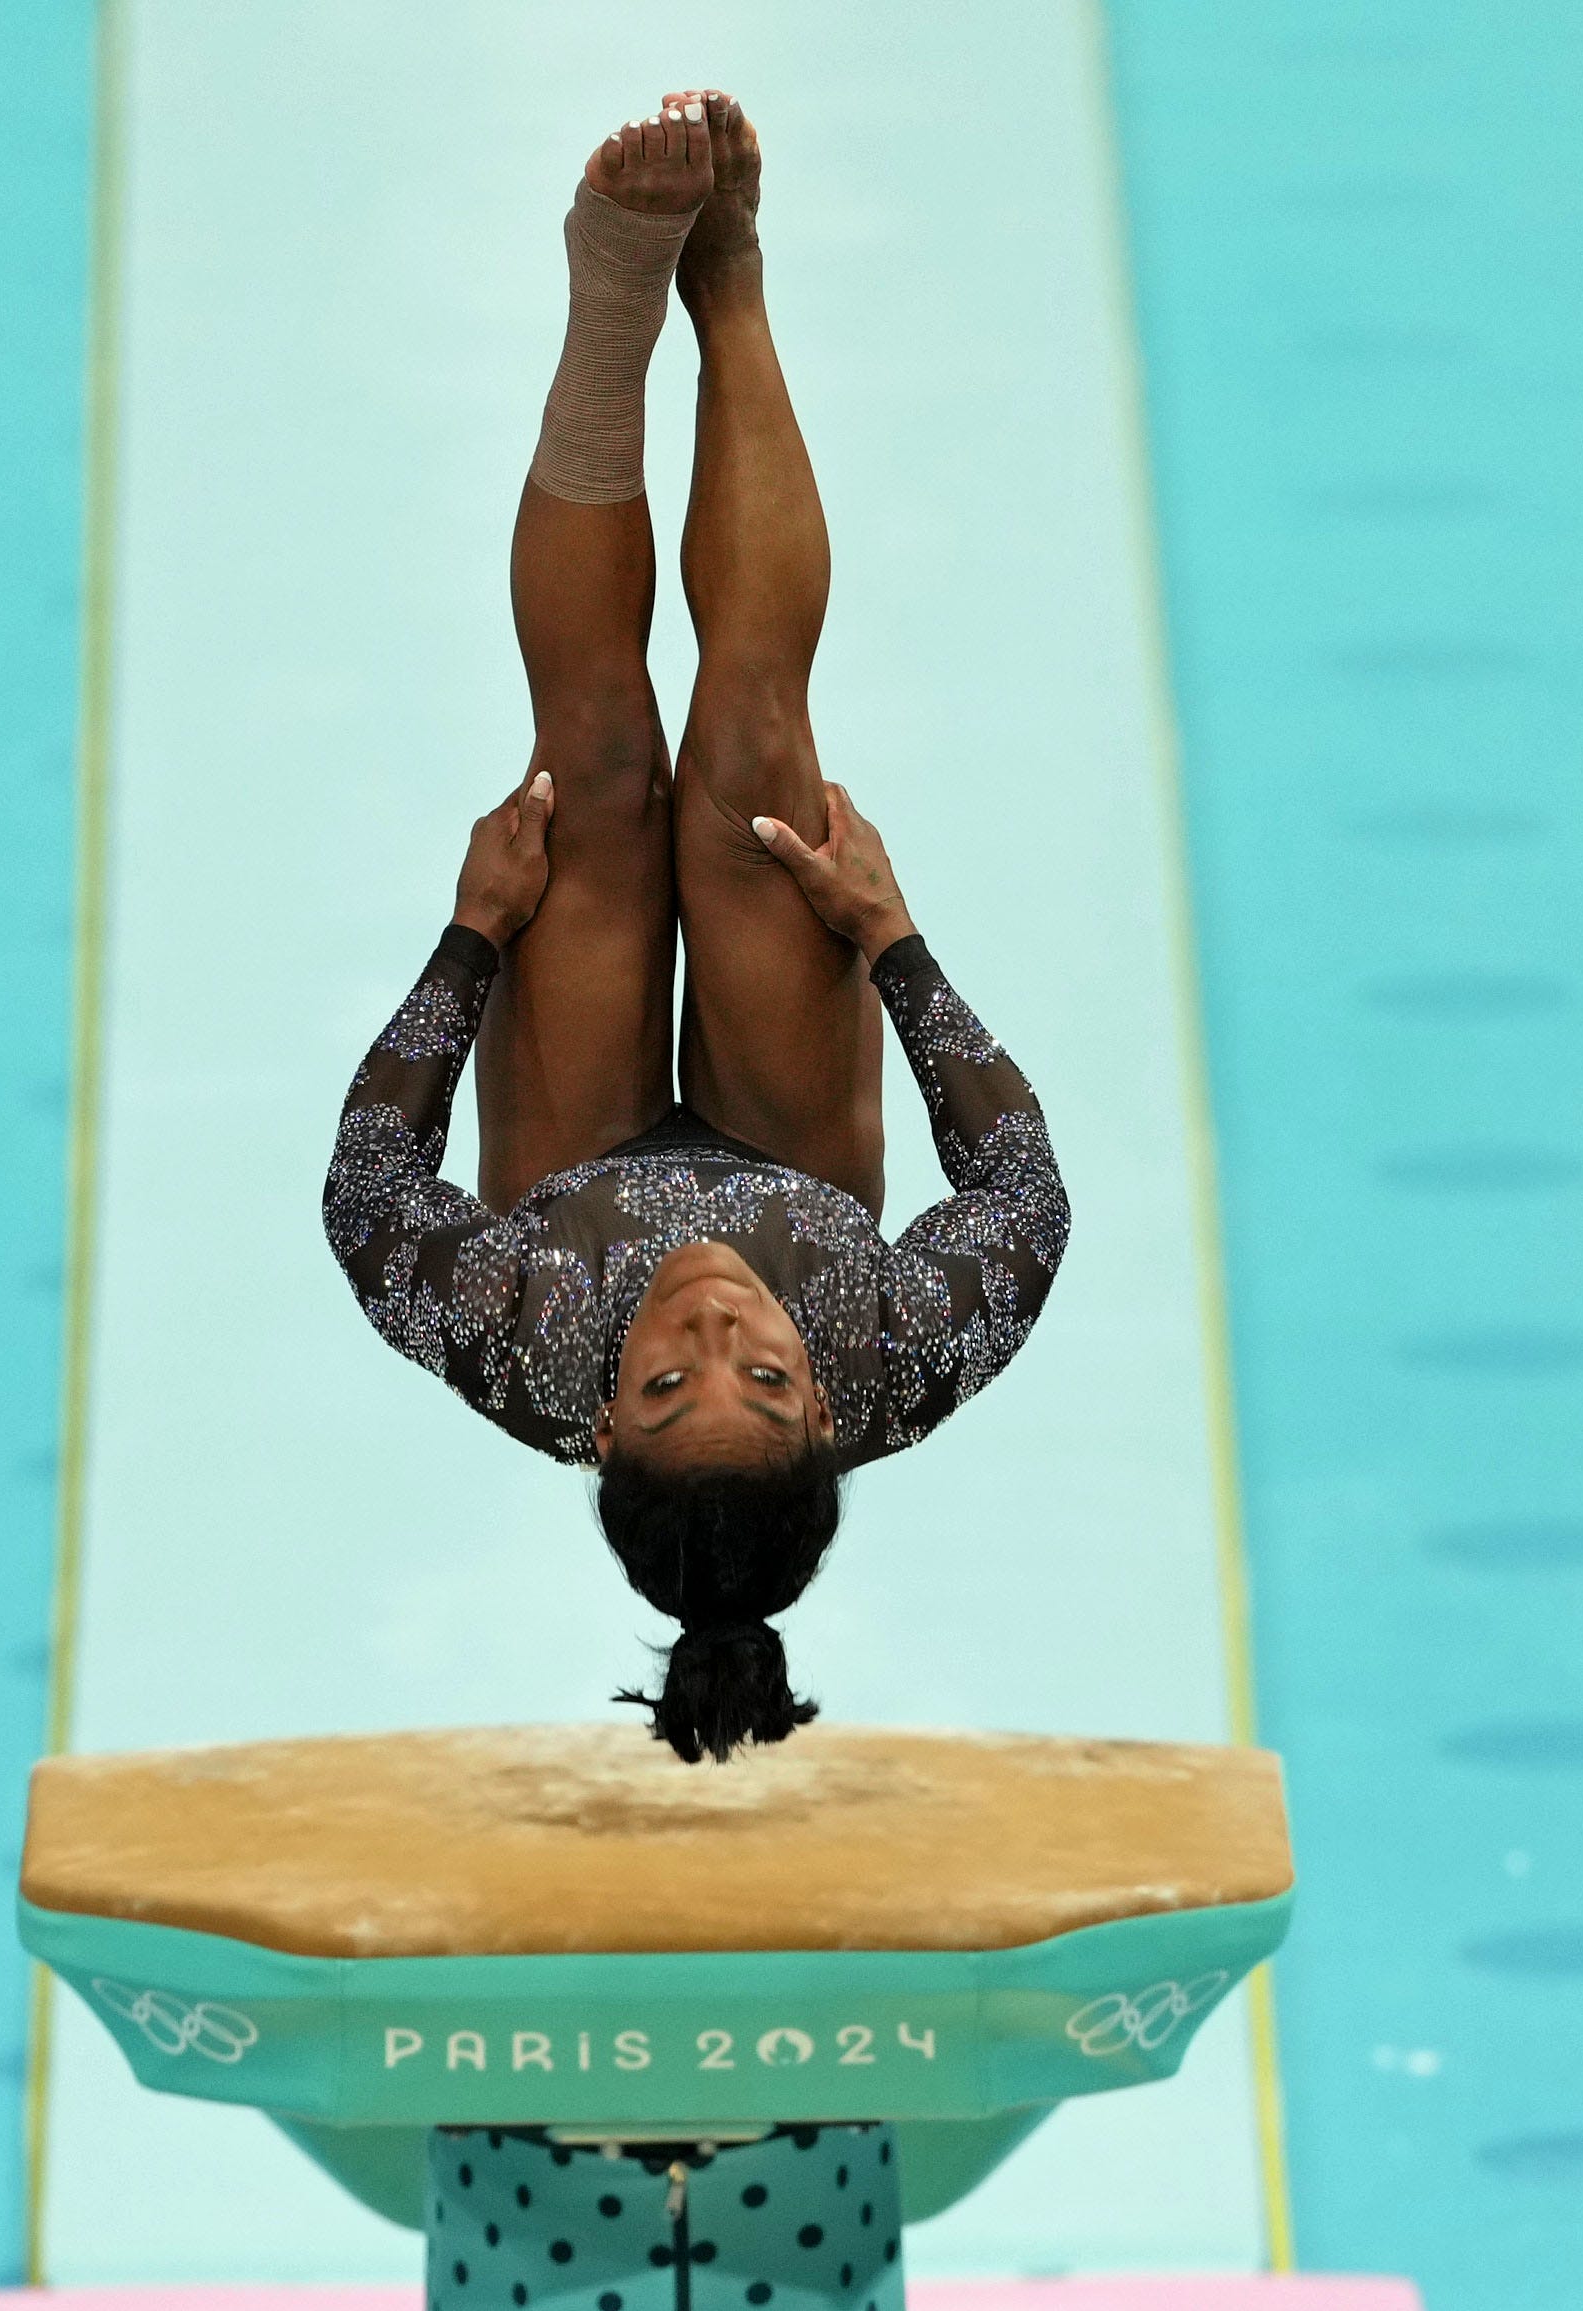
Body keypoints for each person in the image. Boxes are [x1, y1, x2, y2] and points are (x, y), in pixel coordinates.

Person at [321, 93, 1069, 1763]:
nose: (720, 1328)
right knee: (750, 765)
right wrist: (892, 940)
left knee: (592, 768)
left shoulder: (514, 1349)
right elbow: (1021, 1191)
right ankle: (725, 274)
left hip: (569, 1155)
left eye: (669, 1384)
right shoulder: (905, 1356)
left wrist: (470, 941)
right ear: (836, 1412)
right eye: (769, 1380)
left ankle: (608, 307)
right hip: (793, 1137)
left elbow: (367, 1188)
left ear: (596, 1422)